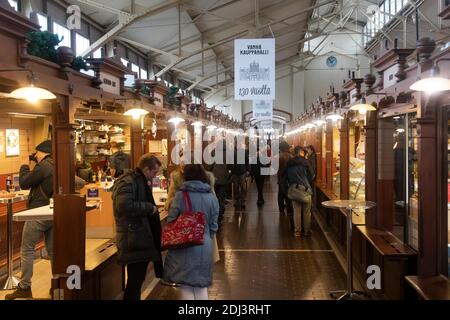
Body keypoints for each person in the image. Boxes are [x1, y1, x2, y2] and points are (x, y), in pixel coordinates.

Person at [6, 140, 54, 300]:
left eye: (37, 152)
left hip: (38, 213)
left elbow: (25, 183)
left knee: (26, 249)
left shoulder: (44, 166)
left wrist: (24, 165)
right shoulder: (56, 164)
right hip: (52, 212)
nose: (36, 155)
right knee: (53, 252)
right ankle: (57, 284)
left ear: (43, 152)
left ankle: (24, 287)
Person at [163, 164, 219, 300]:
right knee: (201, 285)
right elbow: (214, 225)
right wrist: (206, 236)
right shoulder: (211, 196)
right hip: (205, 244)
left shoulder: (181, 195)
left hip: (186, 243)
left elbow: (171, 220)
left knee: (186, 285)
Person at [112, 154, 162, 300]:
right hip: (132, 238)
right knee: (134, 282)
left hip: (137, 237)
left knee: (137, 281)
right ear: (146, 169)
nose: (154, 176)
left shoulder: (138, 180)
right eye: (154, 172)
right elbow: (123, 206)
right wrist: (149, 208)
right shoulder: (128, 182)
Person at [287, 146, 315, 237]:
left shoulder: (289, 163)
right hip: (305, 189)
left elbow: (286, 176)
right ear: (300, 152)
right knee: (307, 212)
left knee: (296, 212)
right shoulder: (305, 162)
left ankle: (297, 231)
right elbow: (312, 176)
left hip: (294, 189)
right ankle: (306, 231)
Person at [205, 140, 229, 222]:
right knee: (221, 197)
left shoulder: (214, 152)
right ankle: (220, 214)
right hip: (224, 179)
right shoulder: (228, 154)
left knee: (214, 197)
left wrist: (208, 172)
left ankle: (214, 214)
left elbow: (209, 165)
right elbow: (231, 166)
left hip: (214, 178)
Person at [230, 139, 249, 210]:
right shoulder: (232, 152)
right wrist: (231, 171)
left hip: (242, 172)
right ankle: (237, 201)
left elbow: (247, 161)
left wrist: (248, 170)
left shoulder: (244, 152)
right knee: (235, 188)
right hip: (235, 172)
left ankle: (243, 201)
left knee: (243, 187)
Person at [277, 141, 293, 217]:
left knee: (281, 195)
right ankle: (289, 210)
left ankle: (281, 210)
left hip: (281, 178)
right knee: (288, 194)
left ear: (281, 148)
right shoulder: (291, 157)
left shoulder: (279, 156)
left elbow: (277, 169)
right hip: (290, 178)